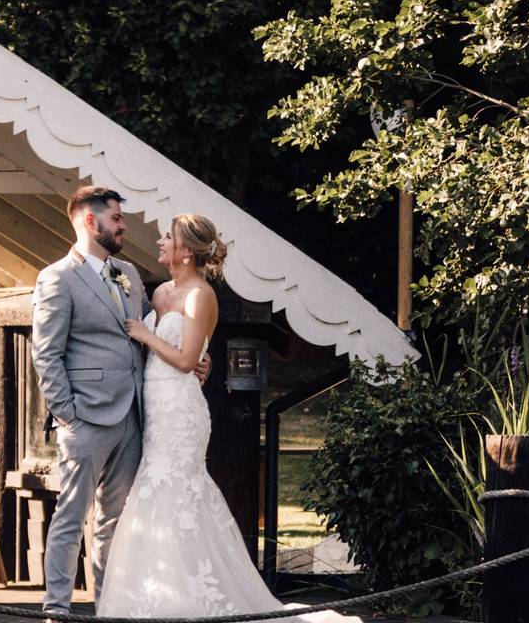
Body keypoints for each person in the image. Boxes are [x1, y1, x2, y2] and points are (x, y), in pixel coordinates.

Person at [97, 213, 362, 623]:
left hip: (182, 412)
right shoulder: (161, 292)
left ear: (186, 251)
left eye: (169, 237)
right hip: (156, 407)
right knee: (154, 489)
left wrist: (150, 337)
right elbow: (183, 354)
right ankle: (155, 591)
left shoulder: (201, 295)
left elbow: (186, 359)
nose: (161, 242)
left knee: (177, 490)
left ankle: (192, 599)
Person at [31, 186, 209, 617]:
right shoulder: (57, 277)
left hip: (136, 415)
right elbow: (46, 352)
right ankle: (56, 609)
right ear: (90, 222)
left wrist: (201, 357)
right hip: (86, 417)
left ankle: (107, 605)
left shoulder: (127, 271)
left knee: (117, 520)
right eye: (116, 219)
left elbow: (158, 326)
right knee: (70, 518)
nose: (124, 226)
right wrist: (67, 414)